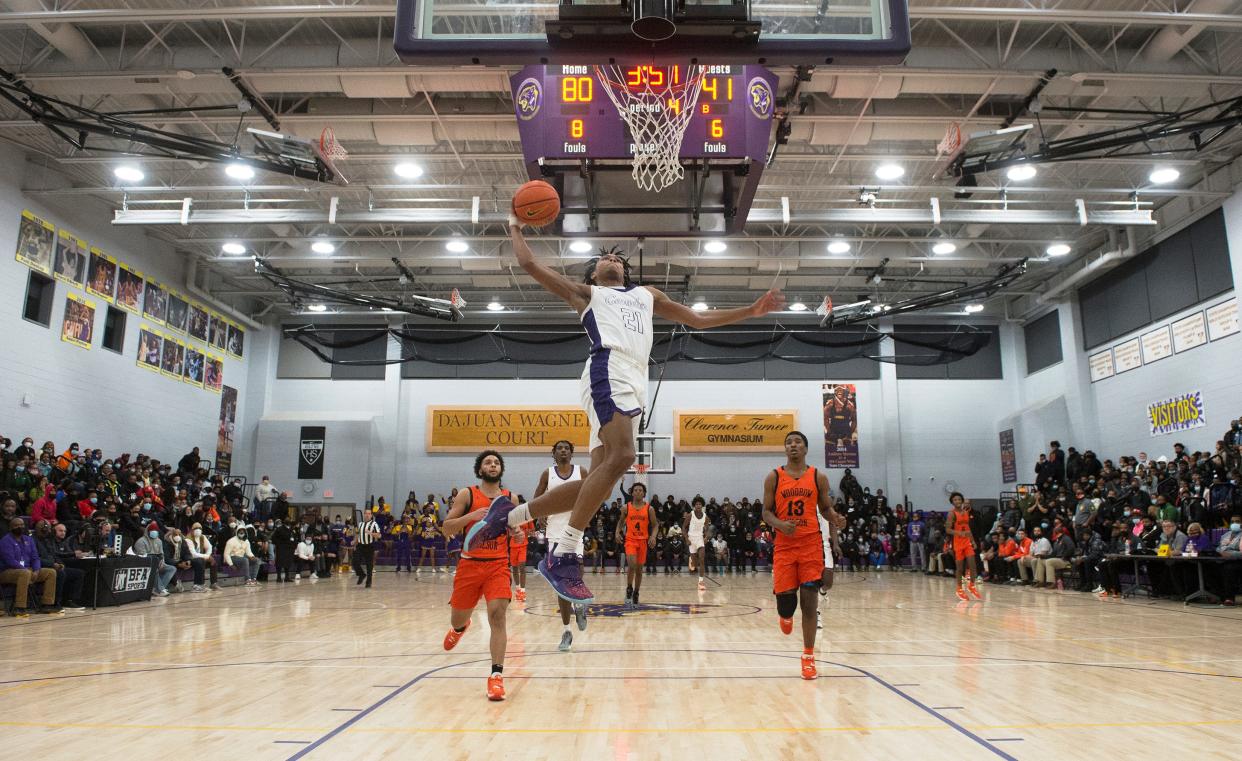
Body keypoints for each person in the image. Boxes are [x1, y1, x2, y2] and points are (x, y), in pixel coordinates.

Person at [462, 219, 784, 604]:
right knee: (625, 456)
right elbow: (531, 265)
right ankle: (562, 553)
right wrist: (515, 226)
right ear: (594, 275)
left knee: (598, 480)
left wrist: (750, 310)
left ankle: (508, 517)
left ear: (626, 271)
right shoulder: (588, 295)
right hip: (607, 369)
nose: (611, 257)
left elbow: (697, 319)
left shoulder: (647, 294)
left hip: (635, 381)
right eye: (602, 257)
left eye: (617, 256)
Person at [762, 430, 845, 680]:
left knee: (810, 603)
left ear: (806, 448)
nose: (793, 445)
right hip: (785, 547)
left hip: (811, 544)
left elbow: (826, 508)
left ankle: (808, 657)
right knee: (787, 607)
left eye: (797, 442)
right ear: (785, 449)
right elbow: (766, 512)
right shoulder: (773, 477)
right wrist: (779, 523)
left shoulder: (818, 476)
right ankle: (785, 616)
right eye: (789, 443)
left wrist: (836, 518)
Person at [440, 450, 517, 701]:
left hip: (498, 565)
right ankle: (461, 627)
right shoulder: (468, 494)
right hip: (470, 566)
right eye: (488, 462)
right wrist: (471, 516)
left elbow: (515, 530)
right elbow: (446, 527)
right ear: (480, 468)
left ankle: (496, 676)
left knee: (497, 615)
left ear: (500, 469)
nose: (492, 465)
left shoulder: (509, 498)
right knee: (457, 618)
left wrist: (518, 534)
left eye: (496, 462)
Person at [533, 440, 589, 651]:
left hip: (575, 528)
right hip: (555, 532)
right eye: (559, 448)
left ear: (572, 453)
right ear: (553, 453)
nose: (563, 450)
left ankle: (580, 604)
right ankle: (566, 631)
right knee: (560, 583)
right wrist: (538, 515)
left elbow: (592, 495)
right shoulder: (548, 474)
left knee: (578, 573)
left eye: (567, 448)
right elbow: (536, 498)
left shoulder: (581, 472)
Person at [0, 517, 59, 616]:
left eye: (22, 525)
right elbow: (10, 561)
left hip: (28, 570)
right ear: (10, 528)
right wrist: (26, 570)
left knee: (50, 572)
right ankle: (19, 607)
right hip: (7, 571)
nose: (20, 527)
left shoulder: (29, 539)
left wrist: (36, 570)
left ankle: (47, 604)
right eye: (16, 525)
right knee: (25, 573)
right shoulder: (5, 541)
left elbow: (35, 557)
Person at [616, 482, 658, 609]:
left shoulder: (649, 509)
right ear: (632, 492)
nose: (638, 492)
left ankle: (636, 592)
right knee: (632, 565)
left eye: (641, 490)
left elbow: (655, 525)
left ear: (644, 493)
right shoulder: (626, 508)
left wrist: (653, 536)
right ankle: (629, 588)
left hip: (643, 541)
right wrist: (617, 532)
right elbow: (620, 523)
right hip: (630, 540)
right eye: (636, 490)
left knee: (639, 570)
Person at [946, 493, 982, 600]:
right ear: (952, 502)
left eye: (959, 499)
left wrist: (973, 541)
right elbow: (947, 529)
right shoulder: (951, 514)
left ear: (961, 501)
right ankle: (959, 589)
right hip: (957, 542)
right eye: (955, 500)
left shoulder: (965, 513)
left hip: (966, 542)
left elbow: (967, 528)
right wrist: (958, 533)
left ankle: (971, 585)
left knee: (973, 565)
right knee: (960, 568)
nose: (957, 501)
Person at [132, 521, 174, 597]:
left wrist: (162, 562)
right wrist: (156, 563)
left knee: (171, 568)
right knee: (155, 568)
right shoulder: (141, 541)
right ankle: (160, 589)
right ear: (148, 532)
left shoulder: (159, 541)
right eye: (152, 531)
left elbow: (161, 554)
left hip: (157, 562)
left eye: (156, 531)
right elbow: (142, 556)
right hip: (144, 563)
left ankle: (157, 589)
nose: (154, 532)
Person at [683, 496, 708, 591]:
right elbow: (684, 527)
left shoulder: (706, 517)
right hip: (691, 539)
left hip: (700, 539)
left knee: (702, 559)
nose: (698, 505)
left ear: (702, 506)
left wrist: (706, 537)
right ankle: (691, 560)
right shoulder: (690, 515)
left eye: (700, 504)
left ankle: (701, 582)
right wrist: (686, 539)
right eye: (696, 504)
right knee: (694, 565)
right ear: (694, 505)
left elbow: (707, 529)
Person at [354, 508, 380, 588]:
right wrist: (355, 542)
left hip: (369, 546)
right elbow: (358, 534)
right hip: (360, 546)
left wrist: (370, 533)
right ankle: (361, 574)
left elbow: (379, 535)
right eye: (366, 513)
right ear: (364, 515)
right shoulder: (360, 524)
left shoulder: (374, 524)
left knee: (369, 565)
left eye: (369, 513)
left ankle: (368, 582)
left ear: (371, 515)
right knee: (355, 562)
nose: (367, 515)